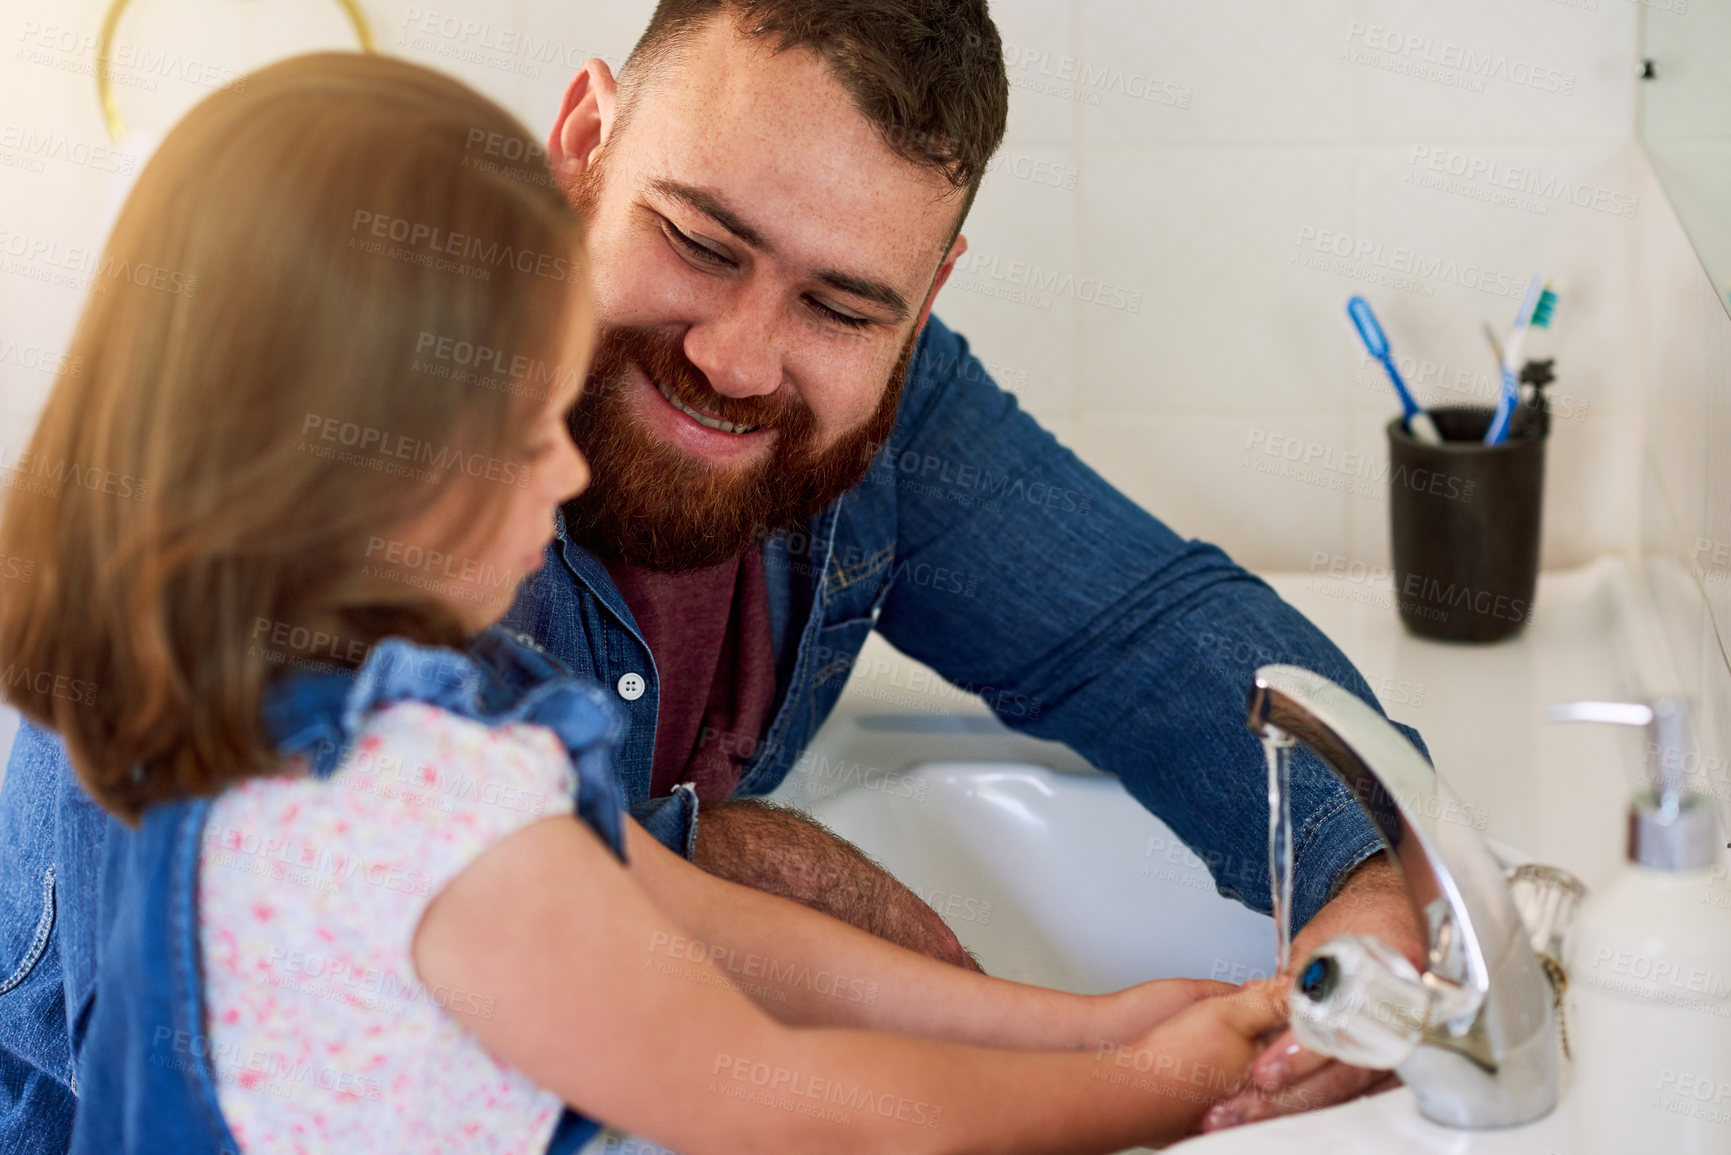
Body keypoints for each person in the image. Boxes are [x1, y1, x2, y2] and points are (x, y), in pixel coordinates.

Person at [0, 1, 1422, 1146]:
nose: (740, 357)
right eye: (699, 240)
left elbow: (1148, 632)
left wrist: (1333, 893)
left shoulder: (422, 759)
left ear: (920, 306)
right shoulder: (330, 726)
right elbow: (769, 1086)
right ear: (584, 140)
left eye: (841, 303)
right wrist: (1156, 1086)